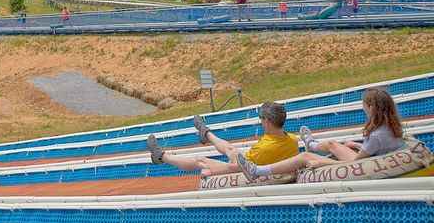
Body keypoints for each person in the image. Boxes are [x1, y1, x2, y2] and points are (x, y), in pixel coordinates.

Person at [236, 87, 406, 181]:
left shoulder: (377, 134)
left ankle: (257, 171)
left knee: (306, 157)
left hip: (359, 162)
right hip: (367, 157)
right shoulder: (389, 126)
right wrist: (357, 145)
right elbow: (374, 150)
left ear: (371, 107)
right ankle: (312, 143)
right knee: (337, 144)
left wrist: (322, 163)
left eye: (364, 105)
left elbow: (357, 164)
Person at [146, 102, 298, 177]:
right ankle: (206, 133)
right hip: (259, 162)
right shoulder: (292, 139)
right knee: (230, 149)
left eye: (260, 118)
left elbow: (236, 165)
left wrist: (216, 167)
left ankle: (161, 156)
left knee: (201, 160)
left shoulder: (265, 147)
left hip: (244, 170)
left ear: (266, 121)